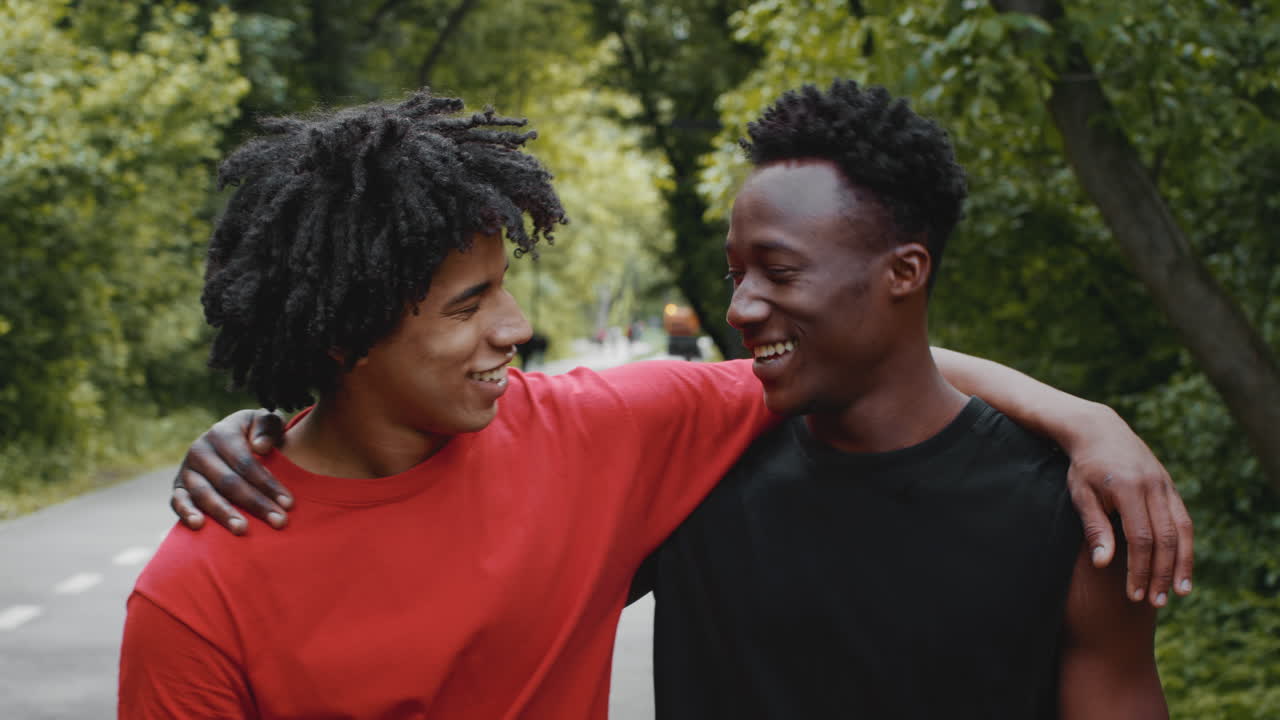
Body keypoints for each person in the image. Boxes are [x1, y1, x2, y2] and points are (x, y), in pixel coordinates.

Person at [149, 91, 1192, 719]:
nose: (516, 328)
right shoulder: (200, 589)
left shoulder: (604, 437)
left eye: (504, 290)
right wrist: (270, 431)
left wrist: (1085, 418)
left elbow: (870, 363)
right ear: (344, 336)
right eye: (470, 305)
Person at [631, 80, 1168, 718]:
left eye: (779, 272)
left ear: (904, 272)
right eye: (736, 274)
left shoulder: (1069, 518)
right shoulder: (687, 477)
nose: (739, 308)